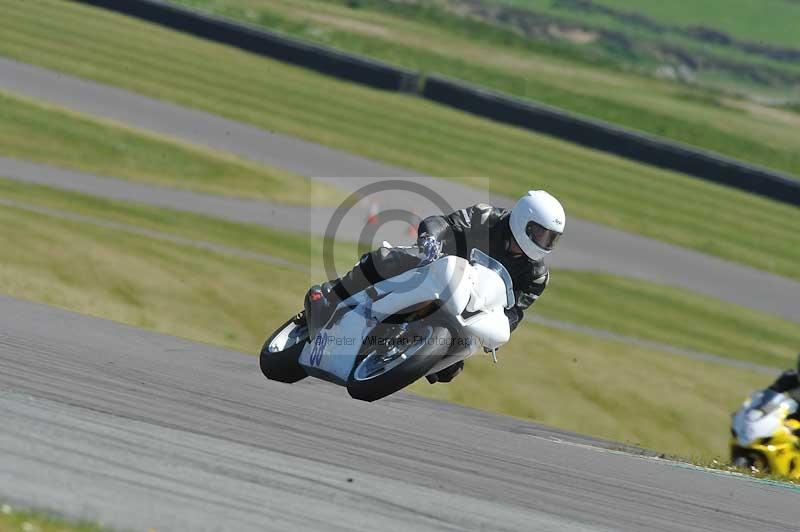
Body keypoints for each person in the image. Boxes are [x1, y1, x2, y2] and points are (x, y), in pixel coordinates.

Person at [304, 190, 566, 383]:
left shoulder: (536, 276)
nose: (544, 243)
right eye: (540, 233)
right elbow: (444, 223)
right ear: (523, 221)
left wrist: (497, 334)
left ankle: (398, 355)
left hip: (470, 307)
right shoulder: (487, 218)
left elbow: (515, 311)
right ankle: (331, 295)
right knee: (387, 260)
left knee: (450, 369)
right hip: (437, 269)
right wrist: (430, 238)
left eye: (550, 239)